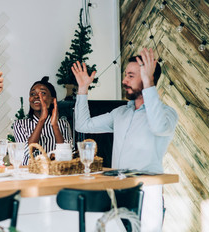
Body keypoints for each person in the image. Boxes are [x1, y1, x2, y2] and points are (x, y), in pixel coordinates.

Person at [72, 48, 178, 231]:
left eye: (130, 76)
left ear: (147, 78)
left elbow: (159, 127)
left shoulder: (167, 114)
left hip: (147, 195)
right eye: (125, 75)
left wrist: (149, 84)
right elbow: (83, 126)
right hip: (117, 192)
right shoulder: (120, 113)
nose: (124, 80)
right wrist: (83, 89)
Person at [13, 76, 73, 165]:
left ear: (52, 100)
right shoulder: (20, 124)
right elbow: (26, 152)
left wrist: (55, 125)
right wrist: (41, 120)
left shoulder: (63, 124)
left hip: (55, 174)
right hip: (29, 174)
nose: (37, 96)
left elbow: (66, 155)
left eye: (43, 93)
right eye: (32, 94)